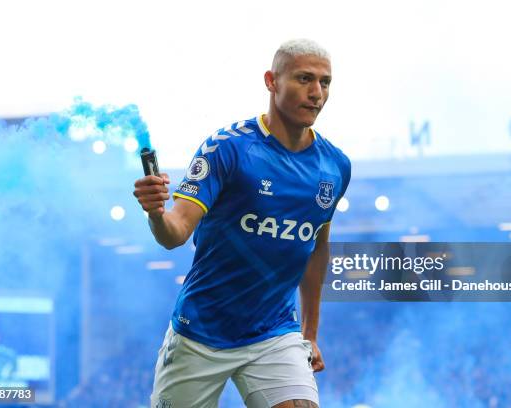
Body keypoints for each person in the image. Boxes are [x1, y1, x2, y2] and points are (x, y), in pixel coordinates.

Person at [133, 38, 351, 408]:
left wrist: (309, 333)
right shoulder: (228, 148)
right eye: (304, 79)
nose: (316, 93)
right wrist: (155, 212)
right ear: (271, 81)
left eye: (325, 82)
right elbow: (174, 234)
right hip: (201, 332)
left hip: (274, 332)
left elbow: (316, 248)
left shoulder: (335, 166)